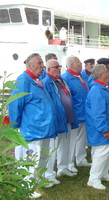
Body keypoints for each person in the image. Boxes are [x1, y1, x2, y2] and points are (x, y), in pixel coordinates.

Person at [9, 53, 57, 198]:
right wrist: (16, 125)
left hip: (44, 129)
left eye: (42, 63)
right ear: (29, 65)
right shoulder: (23, 80)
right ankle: (27, 187)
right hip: (33, 130)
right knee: (31, 160)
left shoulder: (36, 80)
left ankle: (39, 181)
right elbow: (15, 104)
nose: (43, 66)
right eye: (39, 63)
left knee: (42, 157)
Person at [42, 59, 79, 184]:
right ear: (48, 69)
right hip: (56, 120)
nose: (58, 68)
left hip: (66, 118)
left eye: (59, 66)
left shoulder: (62, 80)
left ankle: (62, 168)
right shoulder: (46, 82)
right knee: (52, 148)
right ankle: (49, 173)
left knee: (65, 145)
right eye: (55, 67)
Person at [61, 56, 91, 174]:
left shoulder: (81, 76)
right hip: (75, 114)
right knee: (72, 140)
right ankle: (69, 162)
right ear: (72, 65)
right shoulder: (66, 78)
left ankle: (81, 158)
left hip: (84, 113)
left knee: (82, 139)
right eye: (78, 62)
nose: (81, 63)